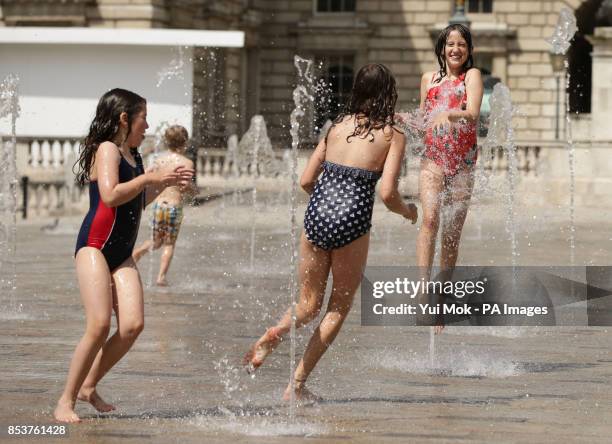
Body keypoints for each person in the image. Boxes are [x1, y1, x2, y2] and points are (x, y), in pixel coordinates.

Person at [243, 64, 418, 402]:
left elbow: (306, 180)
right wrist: (409, 211)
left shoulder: (336, 127)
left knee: (306, 305)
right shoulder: (393, 135)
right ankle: (295, 386)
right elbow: (387, 194)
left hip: (318, 213)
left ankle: (276, 332)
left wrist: (328, 201)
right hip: (352, 220)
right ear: (388, 93)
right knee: (338, 307)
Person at [54, 88, 194, 423]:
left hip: (122, 252)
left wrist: (166, 185)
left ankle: (89, 386)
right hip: (94, 246)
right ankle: (65, 401)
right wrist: (151, 177)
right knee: (100, 323)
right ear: (123, 118)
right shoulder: (107, 150)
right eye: (143, 117)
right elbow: (111, 194)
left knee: (132, 325)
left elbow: (135, 201)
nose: (148, 125)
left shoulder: (135, 155)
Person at [416, 24, 484, 333]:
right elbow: (423, 119)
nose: (455, 49)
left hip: (463, 162)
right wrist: (403, 122)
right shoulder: (427, 79)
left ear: (468, 50)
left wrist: (449, 114)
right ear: (442, 48)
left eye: (462, 45)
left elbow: (472, 112)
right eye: (450, 44)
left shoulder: (472, 76)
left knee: (451, 233)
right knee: (429, 221)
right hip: (433, 159)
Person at [132, 125, 196, 286]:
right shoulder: (187, 162)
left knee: (156, 241)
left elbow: (146, 175)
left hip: (158, 205)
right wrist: (194, 190)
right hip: (174, 207)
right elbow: (184, 186)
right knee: (169, 243)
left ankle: (138, 253)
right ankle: (161, 276)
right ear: (185, 142)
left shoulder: (159, 160)